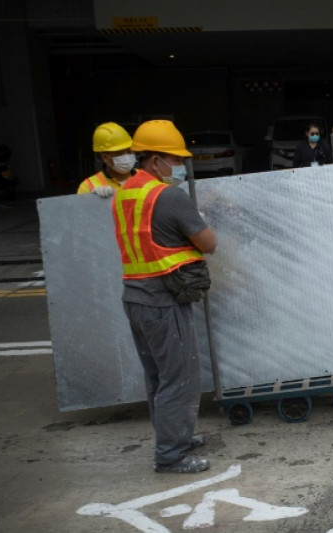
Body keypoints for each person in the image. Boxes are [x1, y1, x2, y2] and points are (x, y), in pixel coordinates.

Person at [114, 119, 218, 474]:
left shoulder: (125, 192)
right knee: (181, 378)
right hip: (163, 300)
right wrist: (198, 219)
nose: (179, 166)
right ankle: (172, 455)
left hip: (135, 297)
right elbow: (210, 244)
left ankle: (175, 437)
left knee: (158, 377)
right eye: (174, 160)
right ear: (155, 161)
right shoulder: (169, 196)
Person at [77, 122, 136, 197]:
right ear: (104, 157)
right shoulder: (87, 186)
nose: (126, 156)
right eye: (119, 153)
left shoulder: (146, 178)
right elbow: (80, 208)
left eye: (129, 151)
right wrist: (92, 199)